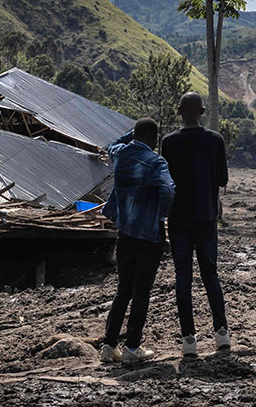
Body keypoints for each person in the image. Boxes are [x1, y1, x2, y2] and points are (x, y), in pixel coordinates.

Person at [99, 117, 175, 365]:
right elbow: (167, 190)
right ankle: (132, 347)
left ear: (135, 135)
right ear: (154, 139)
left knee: (123, 290)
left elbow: (112, 144)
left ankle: (109, 346)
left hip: (125, 233)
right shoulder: (155, 161)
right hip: (148, 235)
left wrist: (131, 135)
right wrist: (162, 213)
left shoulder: (120, 154)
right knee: (141, 292)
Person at [160, 92, 230, 358]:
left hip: (179, 219)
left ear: (180, 111)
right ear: (202, 112)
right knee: (211, 275)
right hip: (207, 217)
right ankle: (221, 334)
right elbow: (222, 180)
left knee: (183, 277)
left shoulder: (168, 143)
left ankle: (189, 340)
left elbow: (165, 181)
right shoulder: (215, 140)